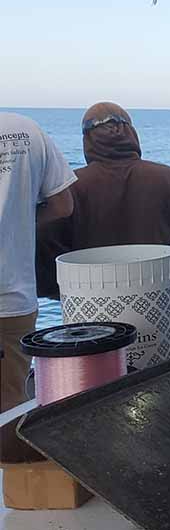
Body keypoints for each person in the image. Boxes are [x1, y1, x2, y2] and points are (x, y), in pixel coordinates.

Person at [36, 103, 170, 297]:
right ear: (132, 133)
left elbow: (45, 256)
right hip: (160, 299)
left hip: (90, 303)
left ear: (87, 139)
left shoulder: (68, 188)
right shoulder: (168, 178)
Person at [1, 112, 76, 412]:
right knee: (9, 404)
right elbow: (63, 205)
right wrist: (17, 222)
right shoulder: (25, 130)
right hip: (12, 298)